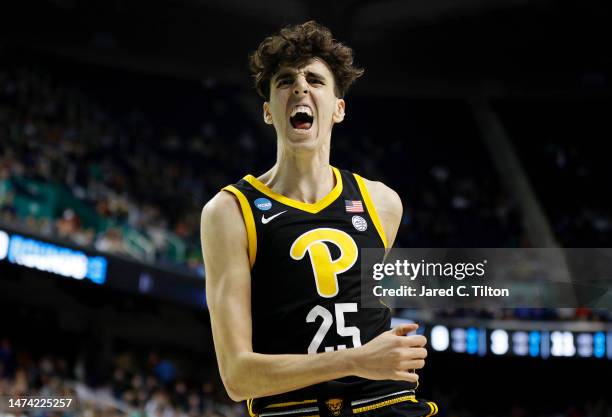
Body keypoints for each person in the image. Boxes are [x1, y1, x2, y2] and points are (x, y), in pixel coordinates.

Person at [200, 21, 437, 417]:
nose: (300, 87)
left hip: (385, 403)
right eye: (285, 81)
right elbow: (238, 378)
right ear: (267, 112)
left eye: (314, 79)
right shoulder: (229, 212)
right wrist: (357, 359)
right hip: (293, 410)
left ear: (339, 109)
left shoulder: (382, 203)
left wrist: (379, 357)